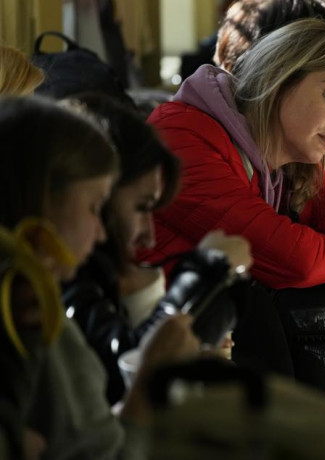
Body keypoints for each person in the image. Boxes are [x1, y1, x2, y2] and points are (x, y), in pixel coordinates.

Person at [142, 19, 325, 306]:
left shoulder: (293, 171)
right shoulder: (181, 136)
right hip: (152, 342)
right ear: (279, 77)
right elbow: (295, 260)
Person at [0, 96, 201, 459]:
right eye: (95, 208)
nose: (101, 232)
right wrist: (149, 381)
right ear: (43, 201)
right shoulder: (32, 314)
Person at [60, 92, 251, 405]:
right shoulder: (57, 277)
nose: (149, 237)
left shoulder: (101, 277)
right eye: (141, 207)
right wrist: (200, 275)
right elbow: (124, 375)